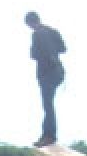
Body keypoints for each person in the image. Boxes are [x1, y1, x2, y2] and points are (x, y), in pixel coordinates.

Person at [25, 11, 66, 148]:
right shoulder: (52, 31)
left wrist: (46, 57)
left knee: (48, 105)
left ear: (31, 23)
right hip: (58, 72)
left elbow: (34, 54)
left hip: (47, 72)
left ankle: (49, 136)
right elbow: (63, 48)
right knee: (49, 105)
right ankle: (47, 135)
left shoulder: (37, 34)